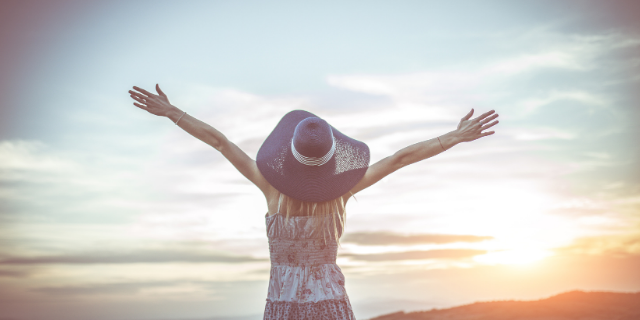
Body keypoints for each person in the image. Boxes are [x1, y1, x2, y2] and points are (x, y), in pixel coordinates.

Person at [129, 84, 499, 320]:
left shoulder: (270, 188)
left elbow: (220, 142)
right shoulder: (341, 192)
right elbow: (399, 159)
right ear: (331, 158)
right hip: (331, 304)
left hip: (282, 306)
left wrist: (172, 112)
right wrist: (454, 136)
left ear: (288, 155)